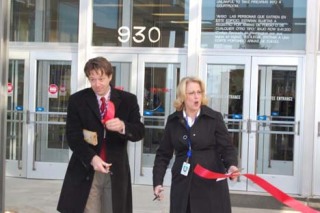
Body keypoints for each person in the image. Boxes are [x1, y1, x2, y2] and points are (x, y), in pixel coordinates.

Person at [57, 56, 145, 213]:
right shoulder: (77, 100)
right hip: (87, 167)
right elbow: (73, 136)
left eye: (101, 79)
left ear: (110, 76)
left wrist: (123, 126)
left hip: (116, 169)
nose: (97, 84)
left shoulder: (128, 100)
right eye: (92, 79)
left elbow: (139, 131)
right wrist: (92, 158)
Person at [152, 76, 240, 213]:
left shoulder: (214, 118)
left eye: (199, 92)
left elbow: (227, 147)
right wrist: (157, 182)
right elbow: (163, 154)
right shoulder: (173, 121)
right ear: (182, 96)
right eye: (191, 93)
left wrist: (232, 165)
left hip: (210, 185)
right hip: (183, 184)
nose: (196, 97)